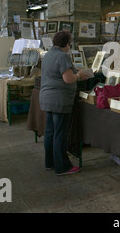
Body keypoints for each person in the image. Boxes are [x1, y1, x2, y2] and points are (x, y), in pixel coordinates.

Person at [40, 31, 90, 175]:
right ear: (66, 43)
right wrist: (79, 75)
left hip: (46, 98)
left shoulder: (48, 54)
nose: (70, 45)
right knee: (60, 134)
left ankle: (49, 162)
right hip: (59, 100)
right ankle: (62, 167)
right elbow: (68, 79)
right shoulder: (63, 56)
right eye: (70, 42)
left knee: (50, 132)